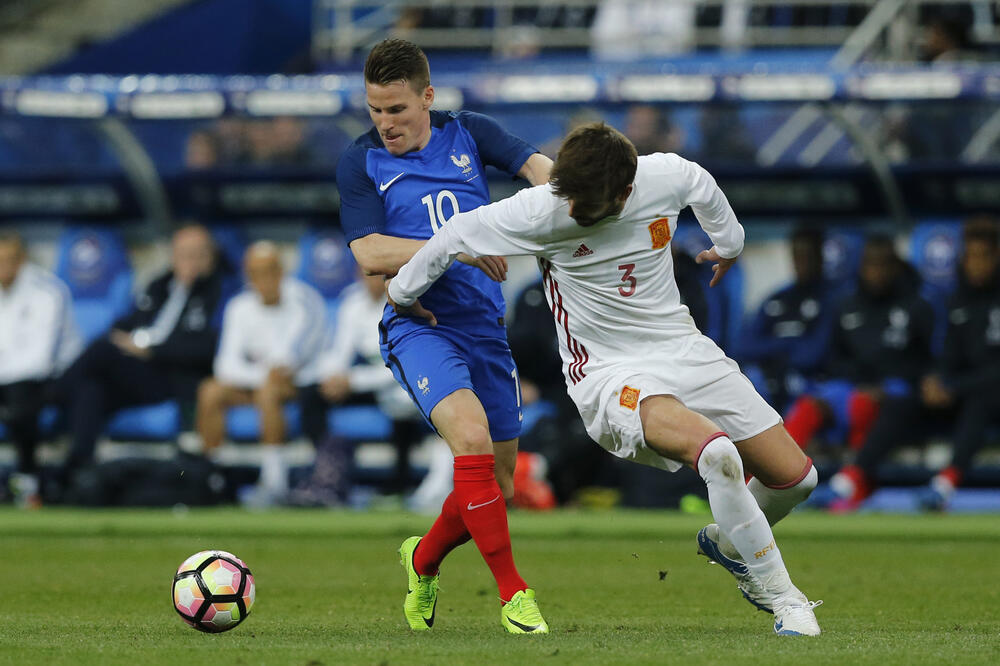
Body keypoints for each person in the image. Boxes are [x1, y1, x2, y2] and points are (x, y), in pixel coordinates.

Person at [388, 122, 824, 637]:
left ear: (625, 191)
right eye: (567, 198)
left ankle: (731, 545)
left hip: (684, 348)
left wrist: (730, 243)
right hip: (609, 372)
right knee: (716, 454)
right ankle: (784, 600)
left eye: (586, 204)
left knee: (797, 480)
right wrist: (401, 292)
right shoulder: (542, 208)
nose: (571, 212)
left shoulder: (661, 176)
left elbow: (699, 181)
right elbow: (451, 236)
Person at [336, 38, 553, 634]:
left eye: (397, 109)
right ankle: (515, 595)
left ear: (427, 98)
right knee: (472, 440)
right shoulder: (360, 162)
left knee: (500, 482)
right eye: (375, 110)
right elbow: (369, 252)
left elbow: (542, 173)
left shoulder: (469, 133)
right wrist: (458, 245)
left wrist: (578, 206)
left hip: (483, 326)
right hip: (418, 326)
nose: (385, 124)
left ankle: (423, 558)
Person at [52, 224, 231, 493]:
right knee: (91, 387)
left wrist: (152, 350)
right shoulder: (159, 286)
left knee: (101, 354)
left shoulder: (221, 291)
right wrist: (126, 341)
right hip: (135, 373)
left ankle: (50, 396)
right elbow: (125, 324)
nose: (189, 260)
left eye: (197, 253)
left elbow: (208, 347)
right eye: (183, 253)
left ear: (211, 256)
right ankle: (76, 471)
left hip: (174, 378)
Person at [196, 241, 327, 505]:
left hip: (303, 383)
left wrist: (264, 376)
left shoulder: (304, 300)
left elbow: (290, 359)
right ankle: (213, 477)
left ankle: (274, 481)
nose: (264, 280)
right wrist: (261, 376)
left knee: (269, 391)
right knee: (210, 391)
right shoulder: (239, 307)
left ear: (281, 272)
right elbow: (224, 365)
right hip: (261, 382)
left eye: (269, 272)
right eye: (256, 273)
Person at [783, 235, 934, 453]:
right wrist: (856, 377)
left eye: (883, 265)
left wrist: (884, 383)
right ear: (862, 267)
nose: (877, 272)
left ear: (895, 267)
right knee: (808, 406)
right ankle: (773, 477)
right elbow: (833, 358)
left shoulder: (917, 306)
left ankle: (855, 473)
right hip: (851, 384)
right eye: (871, 265)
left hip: (895, 386)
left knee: (864, 403)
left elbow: (927, 360)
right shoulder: (845, 306)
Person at [297, 269, 422, 502]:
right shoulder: (352, 302)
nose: (372, 280)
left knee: (401, 401)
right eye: (368, 274)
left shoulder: (406, 303)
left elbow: (402, 365)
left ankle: (400, 479)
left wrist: (352, 381)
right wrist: (334, 377)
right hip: (365, 378)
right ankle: (328, 467)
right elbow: (341, 351)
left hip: (398, 380)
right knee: (312, 393)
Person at [920, 219, 1000, 509]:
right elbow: (949, 355)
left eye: (984, 256)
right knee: (903, 400)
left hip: (984, 393)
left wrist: (953, 386)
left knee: (982, 399)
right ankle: (853, 481)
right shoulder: (958, 299)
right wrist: (936, 379)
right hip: (964, 390)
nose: (976, 264)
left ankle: (945, 483)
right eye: (971, 256)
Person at [0, 232, 81, 507]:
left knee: (21, 401)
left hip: (55, 377)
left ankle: (27, 482)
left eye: (8, 260)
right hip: (9, 376)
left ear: (22, 259)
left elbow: (40, 359)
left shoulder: (48, 291)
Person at [735, 227, 840, 413]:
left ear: (821, 258)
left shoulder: (832, 300)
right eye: (797, 257)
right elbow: (744, 346)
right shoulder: (777, 299)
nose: (802, 264)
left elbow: (811, 355)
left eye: (808, 257)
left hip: (811, 381)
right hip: (771, 376)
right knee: (749, 380)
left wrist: (773, 349)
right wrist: (787, 344)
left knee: (799, 387)